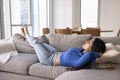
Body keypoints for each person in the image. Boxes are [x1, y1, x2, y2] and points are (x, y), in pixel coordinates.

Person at [21, 25, 106, 69]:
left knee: (36, 43)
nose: (87, 41)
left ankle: (26, 34)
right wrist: (88, 50)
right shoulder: (81, 51)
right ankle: (27, 38)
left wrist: (97, 54)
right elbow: (86, 52)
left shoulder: (82, 60)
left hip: (49, 59)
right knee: (40, 42)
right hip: (55, 52)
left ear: (93, 49)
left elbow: (79, 63)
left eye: (90, 42)